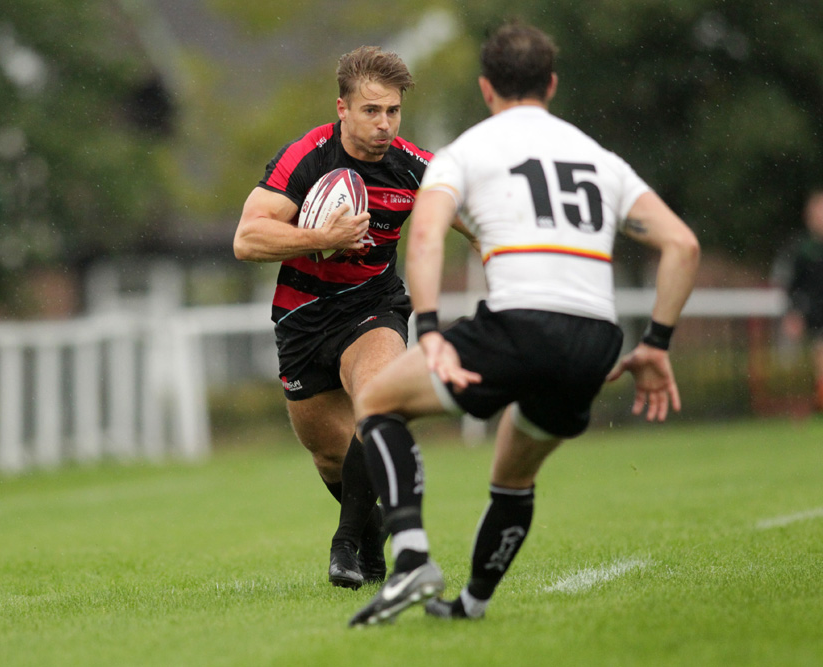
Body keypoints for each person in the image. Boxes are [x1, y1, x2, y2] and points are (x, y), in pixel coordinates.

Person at [347, 22, 701, 626]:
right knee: (514, 473)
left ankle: (411, 559)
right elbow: (683, 246)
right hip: (596, 341)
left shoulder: (466, 152)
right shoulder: (600, 159)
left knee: (377, 402)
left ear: (486, 88)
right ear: (552, 84)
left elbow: (426, 236)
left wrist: (429, 331)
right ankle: (471, 605)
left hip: (521, 325)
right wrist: (656, 345)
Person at [233, 46, 478, 589]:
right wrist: (322, 237)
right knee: (328, 456)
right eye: (371, 110)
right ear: (342, 108)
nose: (384, 124)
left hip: (373, 307)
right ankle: (371, 533)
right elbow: (246, 239)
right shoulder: (307, 157)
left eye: (393, 111)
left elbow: (479, 223)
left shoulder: (414, 166)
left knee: (376, 402)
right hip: (301, 317)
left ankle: (343, 544)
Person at [775, 189, 823, 412]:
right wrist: (794, 314)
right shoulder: (801, 250)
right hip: (811, 315)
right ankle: (804, 404)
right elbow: (792, 287)